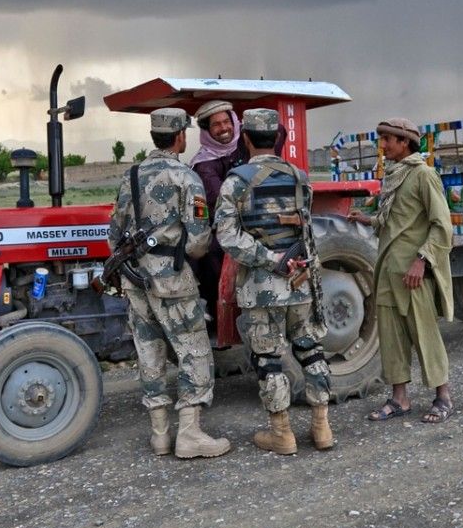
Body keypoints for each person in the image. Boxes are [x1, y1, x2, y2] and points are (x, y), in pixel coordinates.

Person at [109, 107, 231, 460]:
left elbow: (113, 234)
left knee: (150, 353)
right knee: (193, 351)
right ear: (180, 136)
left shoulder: (129, 176)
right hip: (173, 281)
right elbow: (198, 242)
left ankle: (160, 436)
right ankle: (190, 435)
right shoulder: (185, 177)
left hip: (135, 281)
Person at [215, 108, 335, 455]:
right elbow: (306, 226)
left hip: (261, 286)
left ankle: (282, 434)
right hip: (300, 281)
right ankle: (321, 427)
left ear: (246, 138)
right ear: (276, 138)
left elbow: (227, 236)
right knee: (311, 351)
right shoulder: (299, 176)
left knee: (268, 359)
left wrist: (270, 260)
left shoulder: (237, 180)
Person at [348, 118, 456, 424]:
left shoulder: (424, 175)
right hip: (387, 269)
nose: (382, 145)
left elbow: (442, 226)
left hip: (413, 273)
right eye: (381, 139)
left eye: (387, 140)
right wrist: (367, 220)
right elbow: (393, 220)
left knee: (424, 334)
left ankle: (443, 397)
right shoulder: (393, 176)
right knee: (391, 337)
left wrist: (422, 260)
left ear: (405, 142)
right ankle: (399, 399)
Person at [190, 100, 286, 334]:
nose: (223, 128)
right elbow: (218, 197)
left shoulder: (245, 143)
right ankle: (222, 314)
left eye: (227, 122)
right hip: (228, 222)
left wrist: (251, 124)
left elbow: (279, 131)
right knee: (210, 253)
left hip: (264, 215)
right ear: (206, 130)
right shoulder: (204, 165)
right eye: (216, 125)